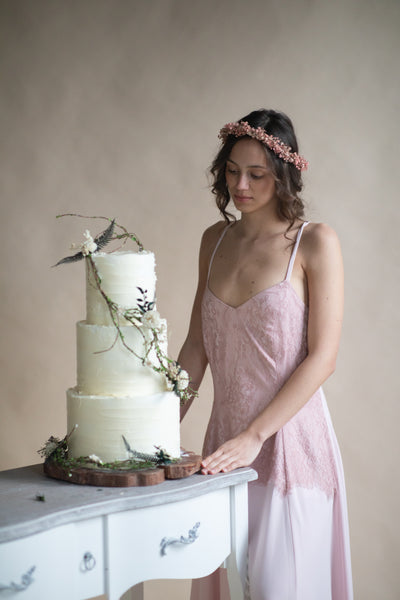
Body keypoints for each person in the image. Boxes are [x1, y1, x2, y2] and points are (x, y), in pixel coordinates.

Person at [178, 109, 353, 600]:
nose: (242, 185)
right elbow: (197, 345)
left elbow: (323, 357)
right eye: (232, 171)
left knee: (282, 587)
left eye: (257, 174)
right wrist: (159, 424)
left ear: (284, 176)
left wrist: (255, 435)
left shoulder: (314, 242)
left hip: (289, 446)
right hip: (223, 448)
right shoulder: (214, 241)